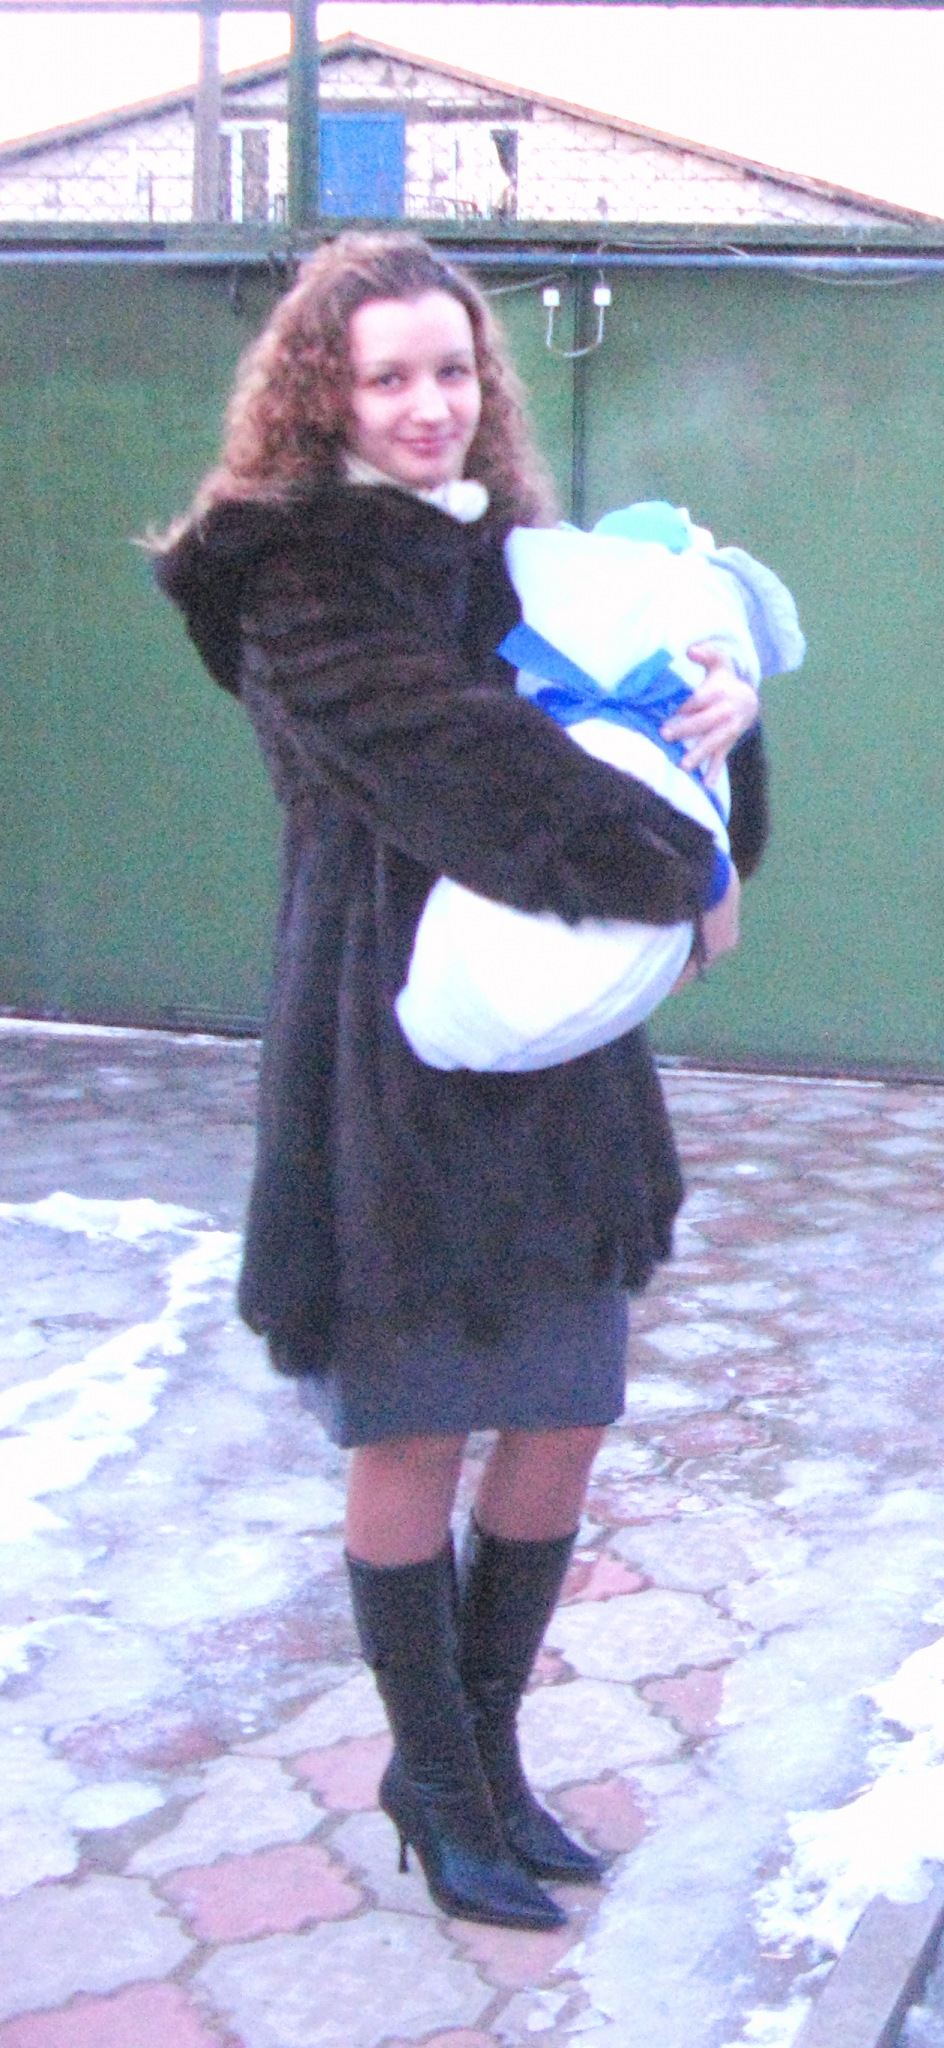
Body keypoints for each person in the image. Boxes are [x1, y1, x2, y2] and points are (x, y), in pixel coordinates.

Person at [153, 229, 765, 1932]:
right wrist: (685, 865)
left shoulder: (517, 555)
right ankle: (433, 1778)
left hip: (558, 1065)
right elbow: (474, 770)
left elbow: (635, 698)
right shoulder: (294, 578)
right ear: (321, 394)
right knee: (416, 1431)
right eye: (387, 378)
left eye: (452, 372)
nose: (428, 407)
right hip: (391, 1070)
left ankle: (485, 1761)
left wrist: (722, 710)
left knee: (564, 1410)